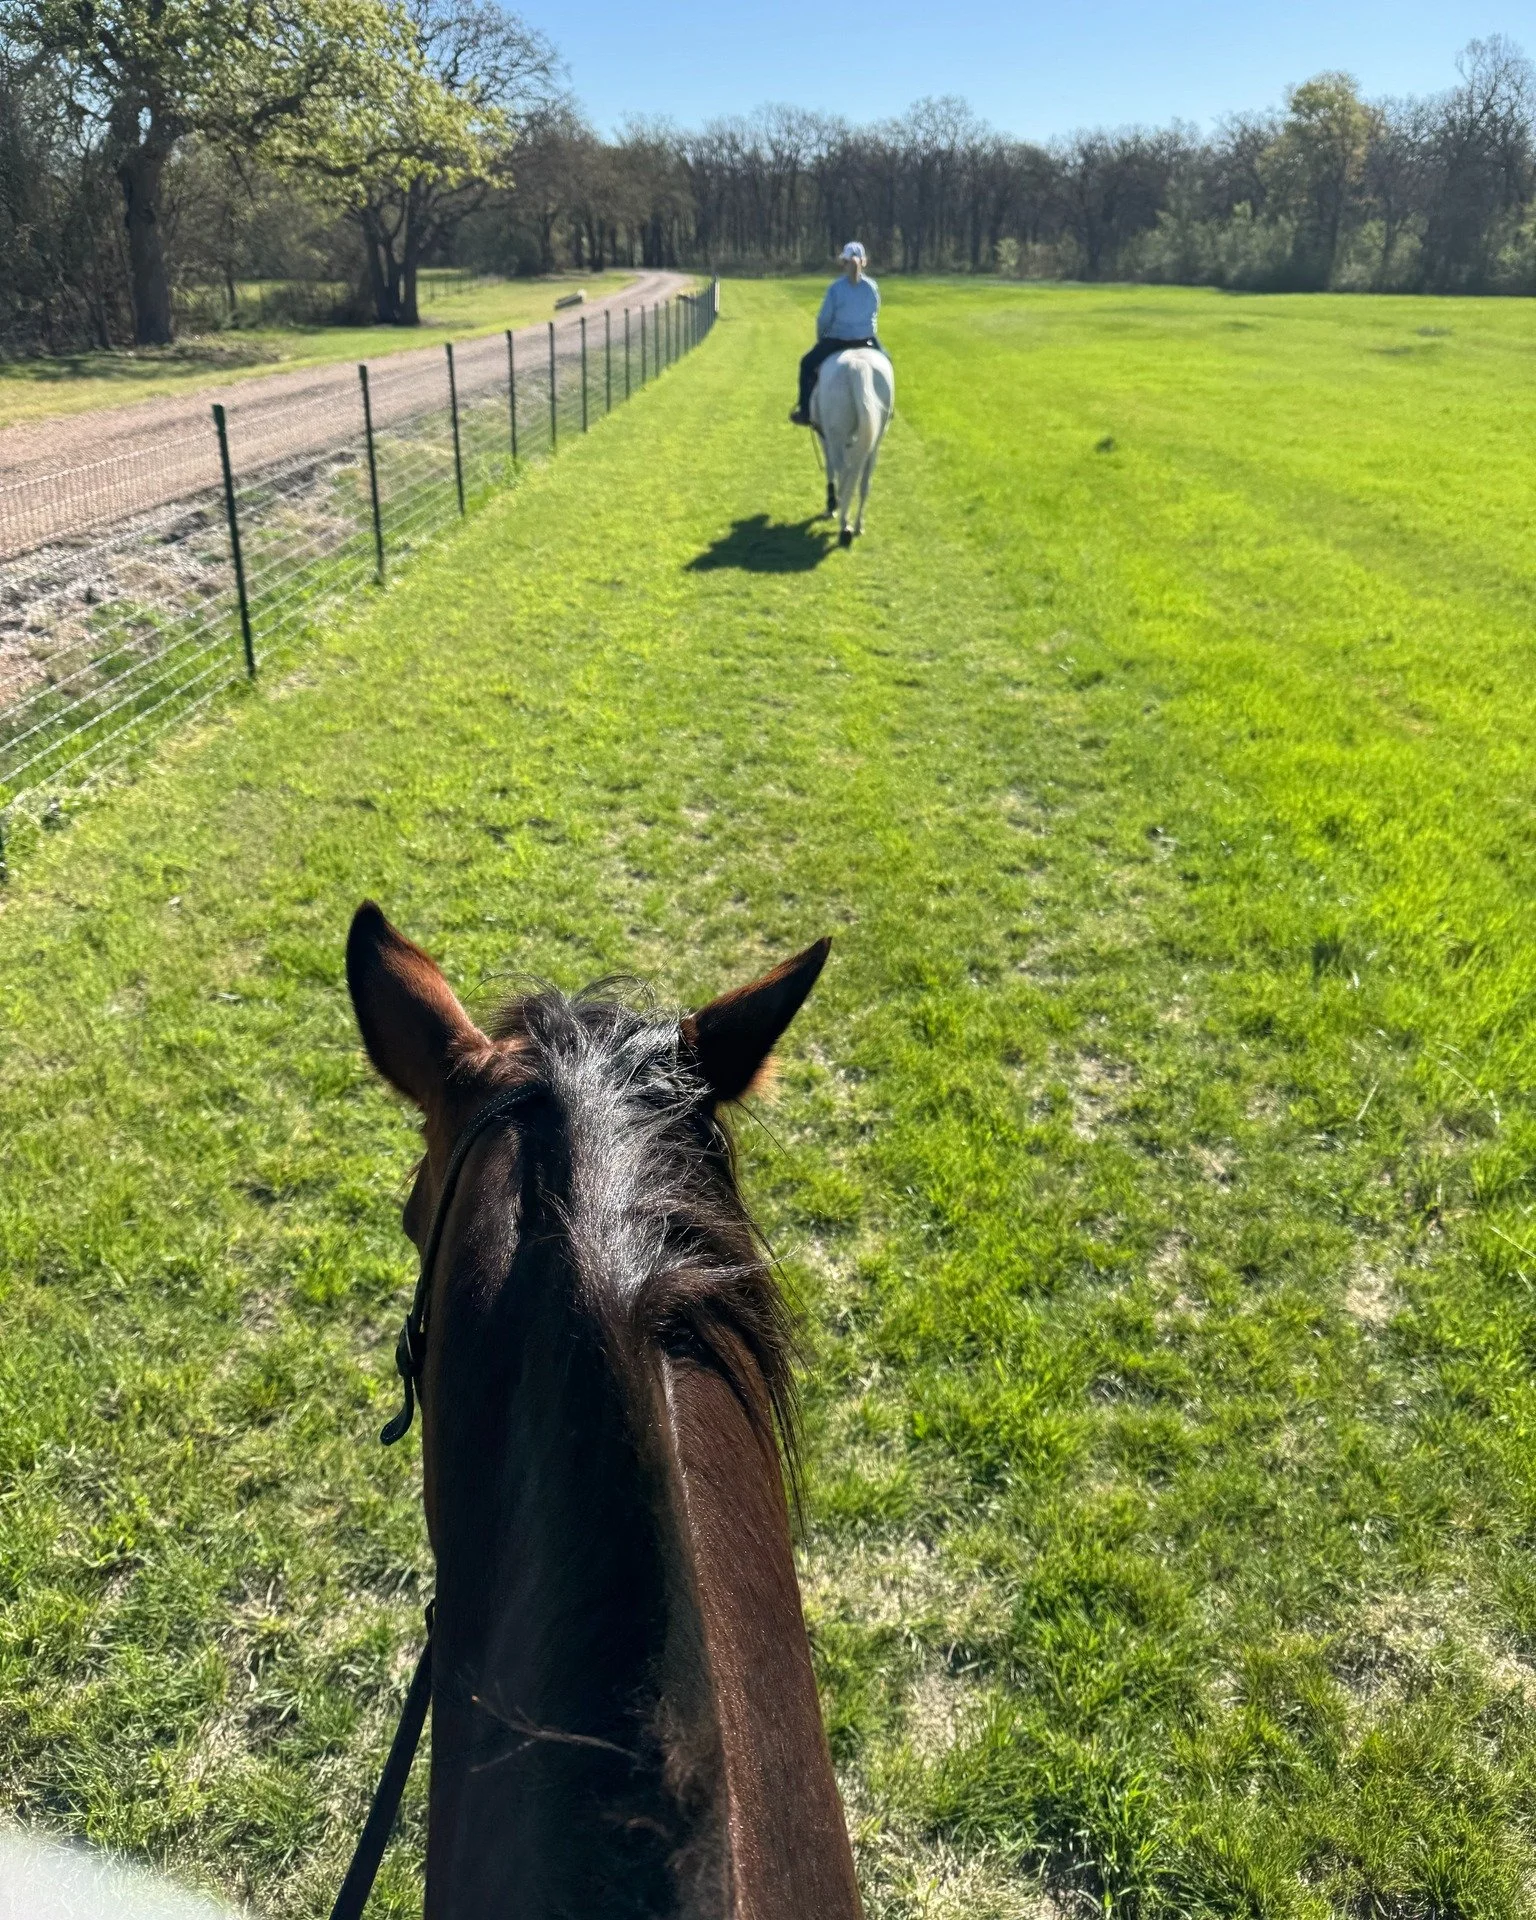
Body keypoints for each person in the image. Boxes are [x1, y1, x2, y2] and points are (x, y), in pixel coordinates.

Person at [790, 242, 885, 426]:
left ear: (844, 263)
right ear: (863, 263)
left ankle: (805, 412)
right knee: (886, 362)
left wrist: (821, 338)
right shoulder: (872, 287)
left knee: (807, 364)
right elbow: (875, 311)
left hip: (838, 341)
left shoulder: (835, 289)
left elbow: (824, 320)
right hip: (866, 340)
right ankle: (887, 409)